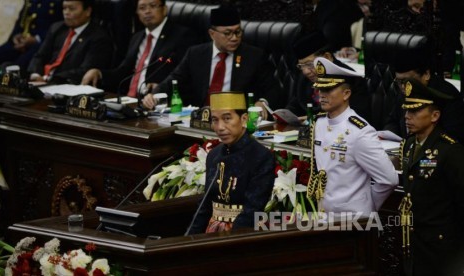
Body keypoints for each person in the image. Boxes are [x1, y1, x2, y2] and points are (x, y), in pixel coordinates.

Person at [143, 5, 286, 120]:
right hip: (202, 119)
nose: (234, 38)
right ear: (212, 34)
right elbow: (174, 80)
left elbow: (273, 90)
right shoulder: (196, 54)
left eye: (238, 32)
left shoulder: (253, 55)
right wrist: (154, 95)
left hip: (236, 121)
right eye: (227, 33)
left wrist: (262, 102)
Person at [308, 57, 398, 216]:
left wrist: (367, 206)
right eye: (320, 89)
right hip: (324, 214)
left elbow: (388, 179)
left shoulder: (359, 131)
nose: (322, 95)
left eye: (328, 90)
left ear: (346, 94)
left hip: (352, 218)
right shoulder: (319, 123)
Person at [398, 78, 464, 276]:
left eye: (415, 111)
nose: (408, 117)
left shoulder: (450, 150)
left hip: (441, 244)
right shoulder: (409, 145)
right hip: (414, 240)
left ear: (435, 115)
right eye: (407, 111)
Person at [187, 92, 275, 234]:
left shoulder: (260, 156)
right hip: (212, 231)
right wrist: (189, 238)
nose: (220, 127)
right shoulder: (214, 155)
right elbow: (205, 205)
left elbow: (252, 210)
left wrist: (227, 241)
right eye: (215, 120)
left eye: (227, 118)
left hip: (242, 235)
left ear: (244, 119)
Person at [81, 0, 198, 96]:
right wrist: (99, 73)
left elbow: (184, 75)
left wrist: (162, 87)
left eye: (152, 6)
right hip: (128, 99)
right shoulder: (137, 37)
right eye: (142, 8)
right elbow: (123, 71)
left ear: (164, 9)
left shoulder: (183, 36)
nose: (147, 11)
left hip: (156, 100)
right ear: (137, 13)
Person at [384, 44, 464, 142]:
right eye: (399, 82)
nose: (403, 87)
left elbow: (452, 138)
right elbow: (392, 122)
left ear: (426, 74)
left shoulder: (447, 97)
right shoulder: (404, 91)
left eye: (407, 81)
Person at [287, 31, 371, 123]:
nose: (305, 71)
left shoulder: (349, 79)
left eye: (310, 64)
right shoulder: (304, 80)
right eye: (301, 66)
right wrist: (283, 116)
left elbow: (358, 117)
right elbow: (296, 105)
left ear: (327, 57)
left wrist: (314, 119)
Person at [27, 0, 113, 84]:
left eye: (72, 9)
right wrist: (35, 74)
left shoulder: (98, 37)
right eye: (64, 8)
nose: (66, 13)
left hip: (65, 85)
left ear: (88, 11)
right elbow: (39, 56)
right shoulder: (57, 28)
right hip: (41, 81)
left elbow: (85, 70)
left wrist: (49, 79)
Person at [0, 0, 63, 74]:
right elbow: (21, 20)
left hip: (41, 44)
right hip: (22, 41)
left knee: (16, 66)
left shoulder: (58, 2)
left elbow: (58, 26)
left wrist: (36, 39)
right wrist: (15, 36)